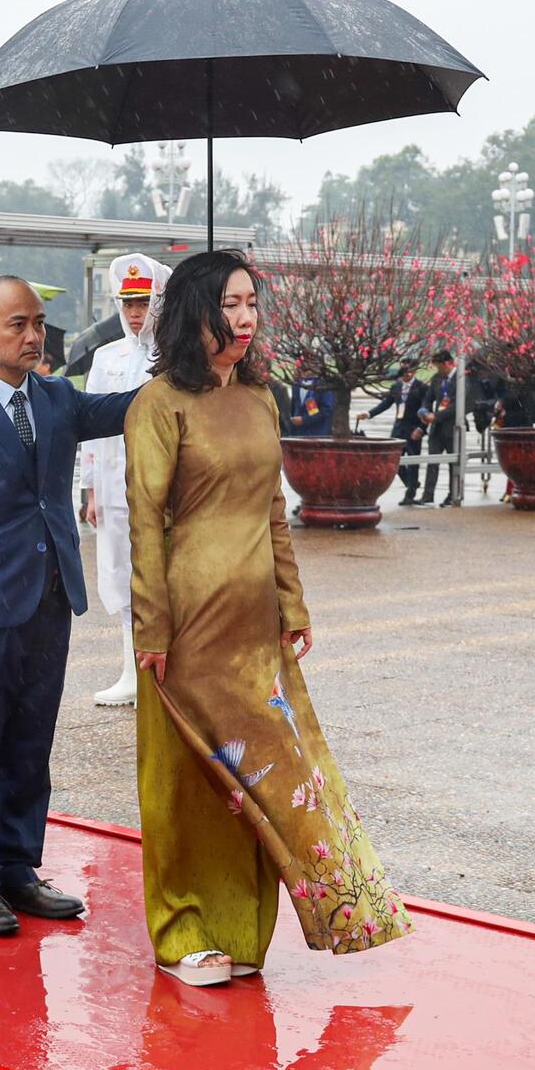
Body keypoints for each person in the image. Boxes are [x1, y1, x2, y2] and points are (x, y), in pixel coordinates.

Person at [127, 250, 411, 987]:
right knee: (187, 785)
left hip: (255, 628)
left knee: (267, 780)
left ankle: (242, 932)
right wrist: (150, 629)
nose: (247, 317)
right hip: (186, 629)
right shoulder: (157, 405)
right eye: (231, 303)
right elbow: (145, 523)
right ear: (197, 312)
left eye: (252, 302)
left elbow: (273, 515)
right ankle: (182, 931)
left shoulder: (259, 399)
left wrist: (293, 603)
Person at [0, 275, 136, 936]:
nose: (33, 336)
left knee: (31, 741)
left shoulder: (56, 400)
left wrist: (194, 371)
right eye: (17, 324)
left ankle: (19, 868)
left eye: (39, 324)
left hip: (49, 599)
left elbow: (125, 409)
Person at [81, 253, 168, 708]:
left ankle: (163, 676)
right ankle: (130, 672)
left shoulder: (171, 355)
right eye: (128, 302)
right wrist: (91, 490)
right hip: (115, 490)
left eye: (142, 301)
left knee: (159, 578)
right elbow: (90, 432)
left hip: (157, 490)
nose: (135, 311)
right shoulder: (105, 356)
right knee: (119, 578)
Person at [360, 359, 430, 506]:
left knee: (413, 461)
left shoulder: (422, 387)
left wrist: (422, 429)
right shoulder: (396, 387)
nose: (406, 374)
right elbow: (386, 404)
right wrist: (369, 414)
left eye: (409, 371)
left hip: (413, 428)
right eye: (403, 371)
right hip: (398, 428)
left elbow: (426, 407)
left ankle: (410, 494)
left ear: (415, 371)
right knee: (394, 461)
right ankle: (411, 483)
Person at [420, 350, 461, 506]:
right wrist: (424, 410)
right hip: (436, 428)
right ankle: (427, 495)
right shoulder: (437, 378)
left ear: (446, 364)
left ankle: (453, 494)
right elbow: (428, 398)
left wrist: (436, 416)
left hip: (452, 427)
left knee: (453, 463)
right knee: (432, 460)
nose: (438, 370)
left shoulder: (461, 379)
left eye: (438, 367)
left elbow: (457, 406)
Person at [283, 355, 335, 438]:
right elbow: (294, 406)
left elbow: (327, 411)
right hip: (298, 434)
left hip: (318, 435)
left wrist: (304, 420)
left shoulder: (324, 385)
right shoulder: (296, 384)